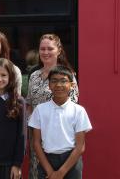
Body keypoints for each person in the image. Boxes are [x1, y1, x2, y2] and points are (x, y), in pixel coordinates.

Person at [27, 34, 79, 179]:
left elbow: (71, 107)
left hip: (60, 136)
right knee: (38, 173)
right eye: (42, 49)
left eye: (50, 48)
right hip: (37, 136)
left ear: (59, 50)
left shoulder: (67, 76)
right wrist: (31, 124)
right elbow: (30, 103)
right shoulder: (34, 76)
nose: (45, 52)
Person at [28, 65, 92, 179]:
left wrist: (60, 173)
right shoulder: (40, 110)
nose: (58, 85)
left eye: (63, 81)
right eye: (54, 81)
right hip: (46, 160)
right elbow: (36, 143)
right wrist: (50, 171)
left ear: (72, 85)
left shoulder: (78, 111)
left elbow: (80, 146)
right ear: (49, 85)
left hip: (71, 162)